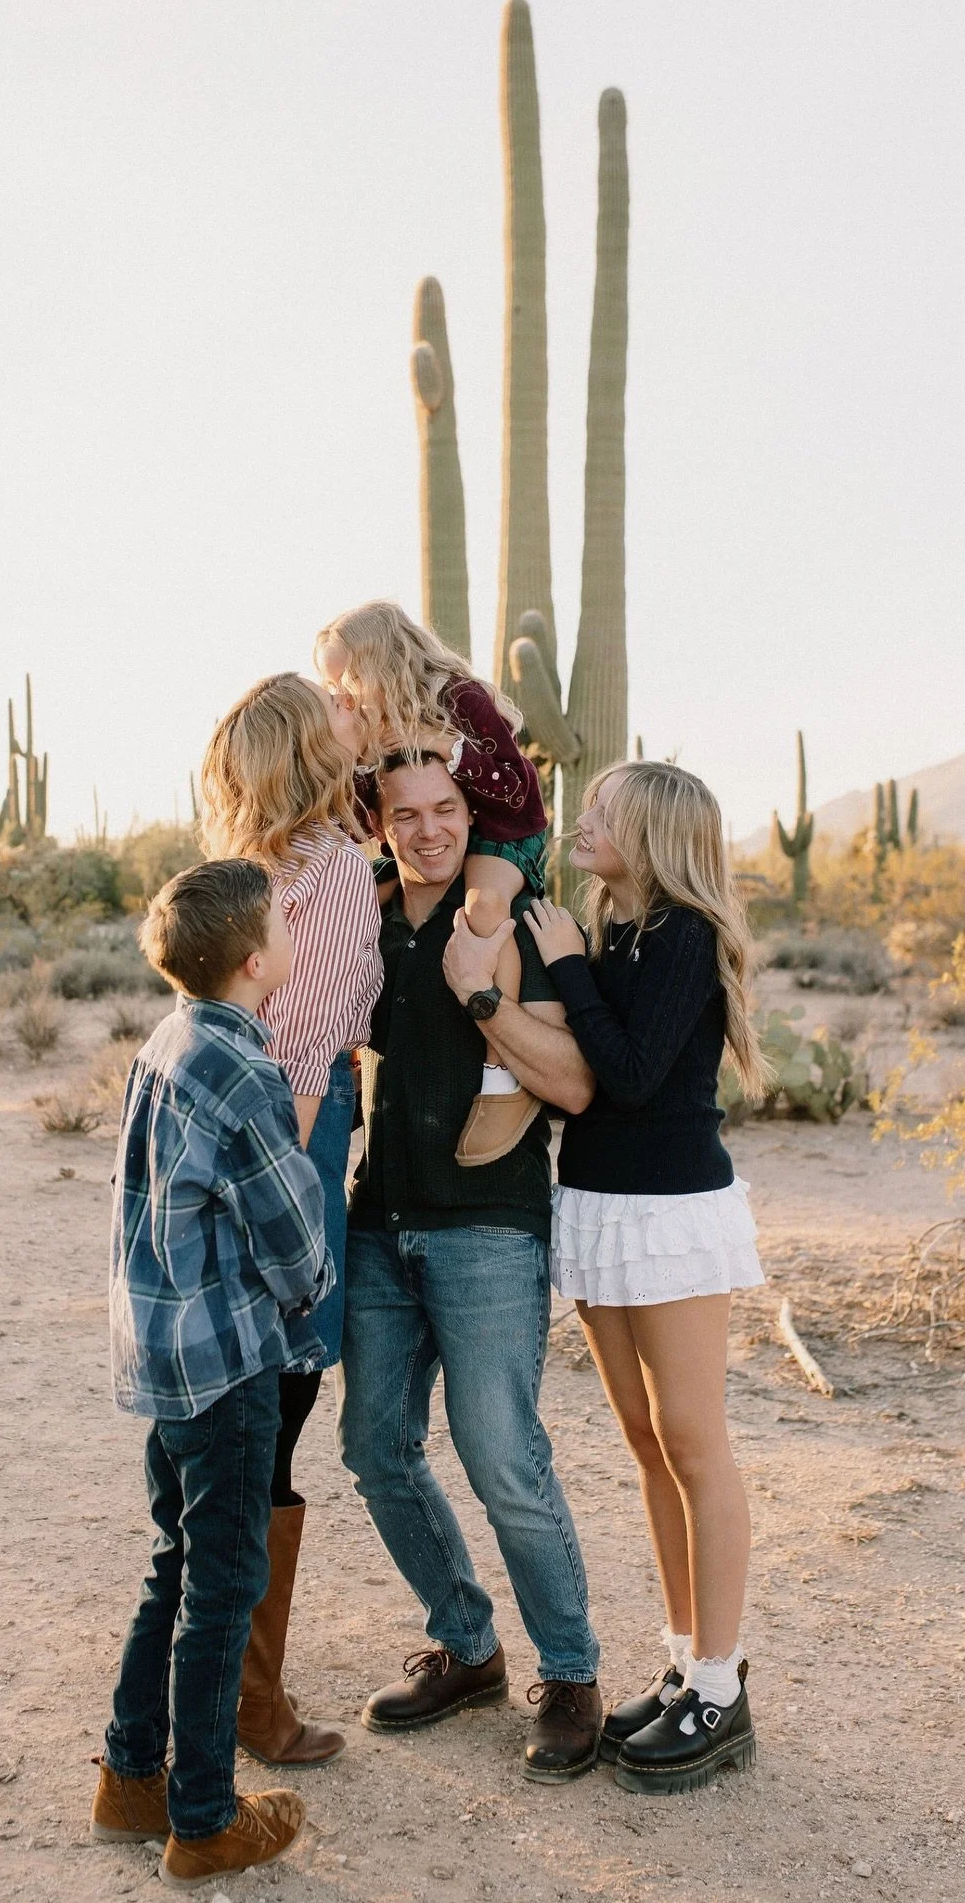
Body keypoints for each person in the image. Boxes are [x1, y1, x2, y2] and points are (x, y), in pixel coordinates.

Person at [335, 748, 605, 1783]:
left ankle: (571, 1672)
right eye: (406, 812)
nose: (429, 828)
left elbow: (577, 1084)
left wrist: (480, 999)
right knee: (375, 1445)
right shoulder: (364, 913)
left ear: (472, 814)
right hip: (378, 1220)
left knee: (501, 1457)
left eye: (446, 808)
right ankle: (469, 1647)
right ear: (384, 822)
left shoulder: (518, 918)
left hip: (489, 1223)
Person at [521, 760, 769, 1796]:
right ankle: (681, 1661)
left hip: (671, 1214)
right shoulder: (620, 932)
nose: (582, 824)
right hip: (601, 1205)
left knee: (694, 1444)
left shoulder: (680, 938)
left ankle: (721, 1687)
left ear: (655, 835)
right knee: (644, 1443)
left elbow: (621, 1078)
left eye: (603, 815)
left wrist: (567, 968)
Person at [90, 858, 332, 1887]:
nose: (289, 935)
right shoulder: (245, 1069)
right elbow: (291, 1237)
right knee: (224, 1588)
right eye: (282, 923)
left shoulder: (169, 1038)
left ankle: (130, 1775)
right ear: (253, 961)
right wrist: (313, 1285)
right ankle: (202, 1820)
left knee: (175, 1565)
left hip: (162, 1355)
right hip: (229, 1367)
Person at [198, 672, 382, 1767]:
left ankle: (224, 1687)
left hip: (219, 1137)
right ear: (313, 756)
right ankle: (249, 1706)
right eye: (337, 720)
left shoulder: (239, 872)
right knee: (284, 1396)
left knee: (244, 1416)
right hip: (292, 1135)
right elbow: (308, 1047)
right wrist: (298, 1214)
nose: (353, 724)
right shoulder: (337, 868)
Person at [315, 599, 550, 1166]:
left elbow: (513, 786)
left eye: (343, 678)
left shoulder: (457, 698)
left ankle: (501, 1080)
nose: (341, 693)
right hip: (444, 833)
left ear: (376, 660)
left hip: (503, 830)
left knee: (484, 906)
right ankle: (340, 1049)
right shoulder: (378, 723)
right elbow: (370, 817)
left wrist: (449, 748)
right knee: (359, 902)